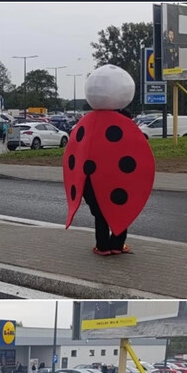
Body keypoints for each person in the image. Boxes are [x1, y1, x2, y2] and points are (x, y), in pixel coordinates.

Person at [63, 65, 155, 256]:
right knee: (121, 209)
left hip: (89, 178)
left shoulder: (85, 123)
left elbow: (75, 151)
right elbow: (140, 150)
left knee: (100, 213)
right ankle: (117, 244)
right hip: (120, 179)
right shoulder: (128, 124)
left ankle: (103, 246)